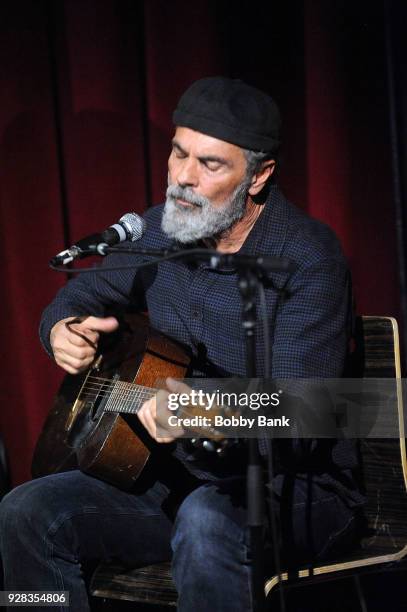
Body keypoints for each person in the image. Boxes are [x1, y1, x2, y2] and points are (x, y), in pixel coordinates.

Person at [0, 77, 365, 611]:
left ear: (258, 176)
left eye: (210, 164)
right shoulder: (158, 231)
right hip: (179, 479)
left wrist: (210, 413)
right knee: (26, 512)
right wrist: (61, 329)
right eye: (178, 153)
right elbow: (81, 294)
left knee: (206, 522)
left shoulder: (306, 260)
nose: (182, 178)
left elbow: (302, 413)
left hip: (298, 490)